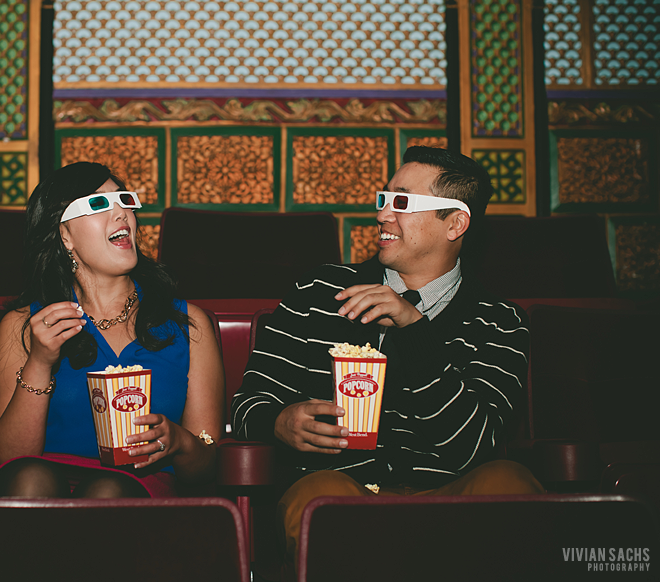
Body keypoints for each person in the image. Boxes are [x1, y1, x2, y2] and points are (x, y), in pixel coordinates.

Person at [231, 146, 543, 565]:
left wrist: (413, 328)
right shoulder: (319, 293)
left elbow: (471, 447)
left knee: (509, 482)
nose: (382, 215)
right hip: (341, 494)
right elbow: (247, 406)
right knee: (319, 498)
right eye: (384, 199)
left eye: (402, 203)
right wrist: (278, 422)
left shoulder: (500, 321)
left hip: (451, 498)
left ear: (455, 224)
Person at [0, 162, 224, 498]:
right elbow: (10, 458)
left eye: (124, 200)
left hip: (138, 490)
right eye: (98, 204)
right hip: (41, 489)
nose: (121, 213)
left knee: (107, 490)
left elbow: (207, 465)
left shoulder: (188, 324)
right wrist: (39, 361)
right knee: (31, 477)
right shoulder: (25, 325)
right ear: (65, 236)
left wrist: (180, 442)